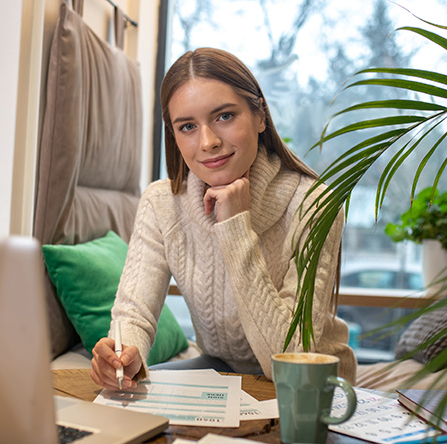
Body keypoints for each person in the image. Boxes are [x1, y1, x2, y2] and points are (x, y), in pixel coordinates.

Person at [90, 48, 355, 390]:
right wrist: (125, 356)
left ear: (260, 116)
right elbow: (134, 310)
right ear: (174, 136)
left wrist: (235, 229)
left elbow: (290, 358)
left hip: (310, 386)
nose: (208, 142)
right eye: (187, 126)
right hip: (222, 375)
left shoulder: (314, 204)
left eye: (225, 117)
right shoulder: (162, 202)